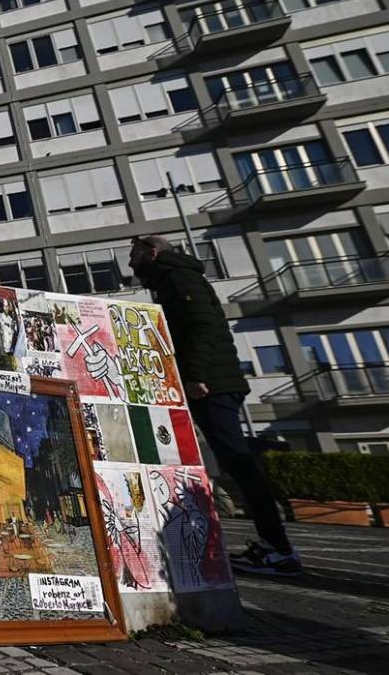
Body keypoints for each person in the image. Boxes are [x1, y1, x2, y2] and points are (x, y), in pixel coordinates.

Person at [130, 234, 300, 576]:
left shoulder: (180, 278)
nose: (132, 265)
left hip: (212, 385)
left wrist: (194, 375)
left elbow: (203, 326)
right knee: (233, 457)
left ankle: (279, 550)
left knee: (238, 460)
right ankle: (272, 545)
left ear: (152, 251)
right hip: (212, 382)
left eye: (135, 257)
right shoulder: (172, 280)